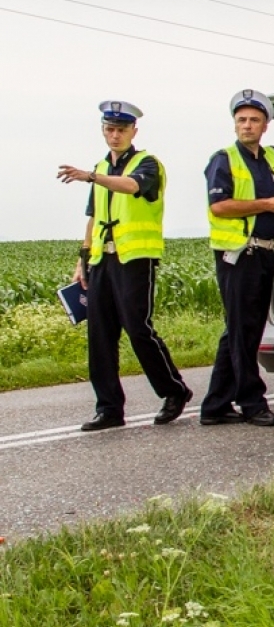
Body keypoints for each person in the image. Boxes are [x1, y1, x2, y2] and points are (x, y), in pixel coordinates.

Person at [58, 101, 193, 431]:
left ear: (134, 131)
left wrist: (92, 176)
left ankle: (174, 392)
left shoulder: (147, 164)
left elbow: (133, 186)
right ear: (103, 130)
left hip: (134, 259)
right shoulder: (102, 165)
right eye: (109, 129)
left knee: (138, 329)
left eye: (121, 129)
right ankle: (108, 408)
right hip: (101, 259)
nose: (115, 135)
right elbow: (94, 216)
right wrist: (82, 258)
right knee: (99, 335)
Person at [198, 89, 274, 428]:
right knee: (243, 332)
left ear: (266, 125)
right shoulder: (223, 159)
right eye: (241, 120)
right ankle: (252, 402)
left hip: (267, 254)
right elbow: (219, 206)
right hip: (239, 255)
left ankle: (216, 405)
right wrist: (268, 204)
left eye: (253, 120)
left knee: (239, 330)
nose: (247, 125)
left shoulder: (272, 158)